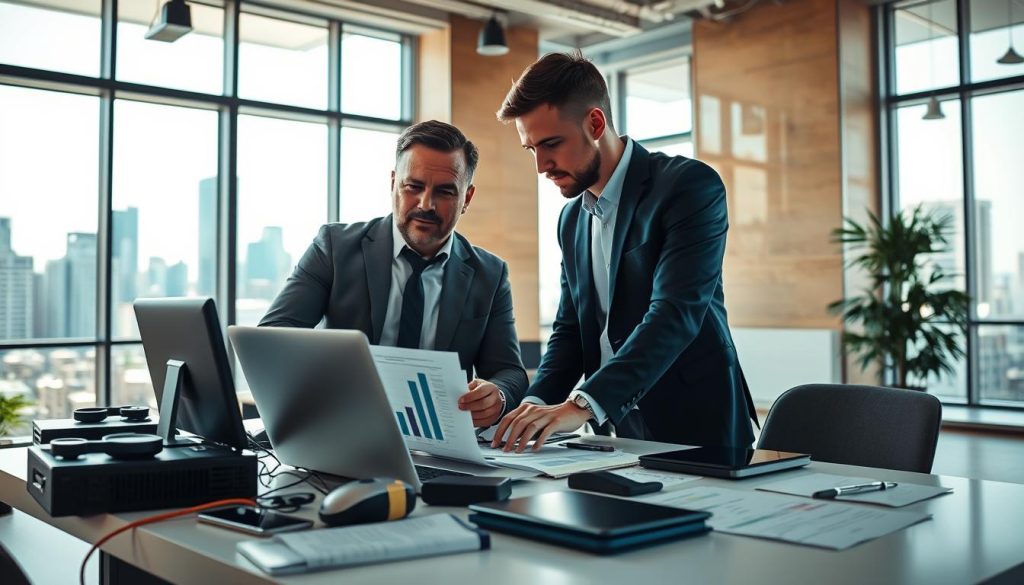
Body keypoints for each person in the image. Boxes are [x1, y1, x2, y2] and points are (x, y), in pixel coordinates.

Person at [491, 52, 757, 452]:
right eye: (531, 149)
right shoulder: (571, 220)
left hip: (698, 425)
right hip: (616, 430)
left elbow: (674, 313)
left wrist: (581, 403)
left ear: (595, 123)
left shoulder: (688, 187)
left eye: (551, 144)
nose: (541, 166)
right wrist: (531, 407)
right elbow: (569, 334)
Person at [260, 120, 527, 428]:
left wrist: (500, 395)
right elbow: (273, 337)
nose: (426, 204)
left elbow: (510, 372)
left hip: (440, 441)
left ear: (466, 199)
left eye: (445, 192)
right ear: (393, 184)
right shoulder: (334, 248)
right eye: (413, 186)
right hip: (342, 426)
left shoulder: (489, 274)